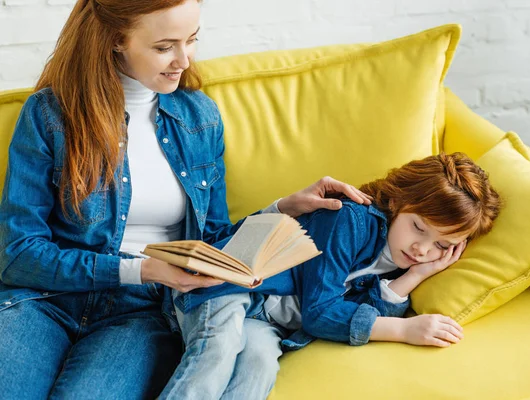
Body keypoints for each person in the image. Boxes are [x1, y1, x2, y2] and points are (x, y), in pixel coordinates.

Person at [0, 0, 372, 399]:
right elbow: (18, 255)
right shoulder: (50, 115)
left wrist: (281, 209)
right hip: (44, 301)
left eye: (191, 40)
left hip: (142, 313)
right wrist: (144, 268)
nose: (183, 60)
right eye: (164, 47)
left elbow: (210, 240)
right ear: (114, 40)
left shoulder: (200, 118)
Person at [161, 152, 502, 400]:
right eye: (418, 228)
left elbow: (366, 310)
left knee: (259, 367)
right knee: (220, 348)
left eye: (442, 245)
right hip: (226, 285)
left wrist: (414, 277)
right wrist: (403, 329)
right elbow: (320, 314)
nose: (422, 249)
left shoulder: (405, 261)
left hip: (266, 321)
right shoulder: (348, 221)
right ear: (399, 201)